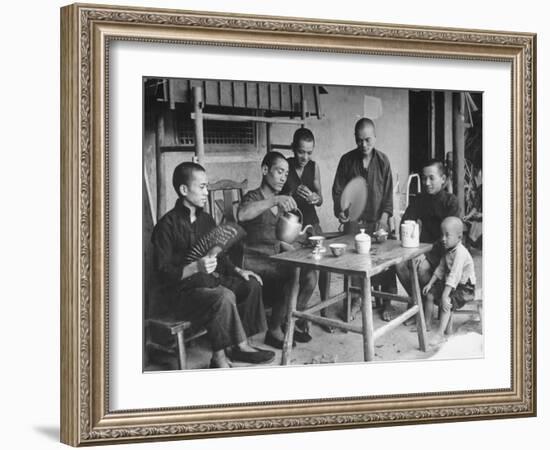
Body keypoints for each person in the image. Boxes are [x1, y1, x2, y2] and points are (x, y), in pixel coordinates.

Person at [151, 162, 275, 369]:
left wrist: (239, 270)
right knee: (223, 296)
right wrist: (194, 268)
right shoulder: (166, 226)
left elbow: (221, 256)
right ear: (183, 190)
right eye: (201, 187)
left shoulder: (206, 220)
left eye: (207, 186)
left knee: (251, 284)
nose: (206, 192)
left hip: (208, 281)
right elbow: (164, 275)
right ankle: (222, 357)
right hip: (180, 293)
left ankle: (238, 344)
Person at [237, 152, 318, 349]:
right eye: (279, 171)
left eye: (286, 173)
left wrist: (301, 244)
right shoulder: (254, 197)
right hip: (254, 261)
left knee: (310, 273)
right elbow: (242, 214)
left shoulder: (280, 202)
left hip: (273, 259)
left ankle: (288, 322)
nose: (283, 177)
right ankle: (273, 331)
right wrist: (274, 200)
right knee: (292, 273)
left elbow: (278, 239)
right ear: (265, 170)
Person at [331, 117, 397, 321]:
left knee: (386, 258)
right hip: (355, 222)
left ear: (375, 137)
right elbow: (338, 191)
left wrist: (384, 219)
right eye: (359, 140)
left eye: (368, 140)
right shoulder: (346, 160)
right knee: (352, 259)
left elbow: (387, 196)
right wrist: (341, 210)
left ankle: (387, 301)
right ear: (355, 139)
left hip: (378, 220)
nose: (364, 145)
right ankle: (356, 299)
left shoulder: (383, 161)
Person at [280, 128, 329, 337]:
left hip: (312, 224)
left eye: (309, 152)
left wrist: (315, 198)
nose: (305, 157)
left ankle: (321, 311)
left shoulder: (313, 167)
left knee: (325, 266)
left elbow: (321, 198)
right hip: (292, 227)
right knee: (301, 272)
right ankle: (293, 316)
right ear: (293, 149)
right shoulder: (285, 166)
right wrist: (291, 193)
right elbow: (277, 197)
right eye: (301, 152)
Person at [395, 159, 460, 302]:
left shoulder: (451, 202)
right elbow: (405, 220)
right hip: (422, 248)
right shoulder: (420, 199)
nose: (427, 183)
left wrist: (427, 254)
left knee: (421, 268)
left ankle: (427, 303)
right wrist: (406, 244)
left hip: (444, 251)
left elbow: (451, 237)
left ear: (443, 179)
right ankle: (418, 303)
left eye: (432, 178)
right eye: (424, 178)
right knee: (399, 265)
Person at [422, 216, 476, 345]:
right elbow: (440, 268)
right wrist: (430, 283)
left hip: (464, 288)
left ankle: (440, 334)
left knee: (447, 302)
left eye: (447, 236)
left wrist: (445, 295)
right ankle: (426, 324)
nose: (443, 239)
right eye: (442, 235)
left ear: (459, 237)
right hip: (452, 284)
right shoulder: (448, 250)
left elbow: (454, 276)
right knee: (430, 294)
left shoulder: (461, 253)